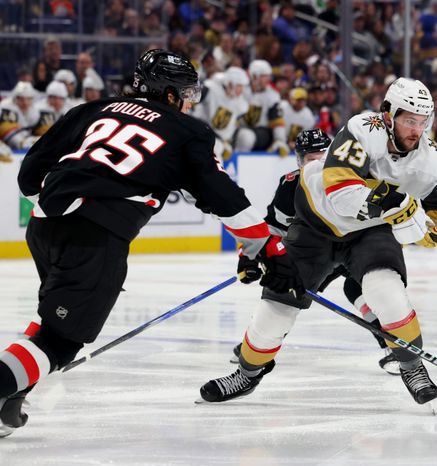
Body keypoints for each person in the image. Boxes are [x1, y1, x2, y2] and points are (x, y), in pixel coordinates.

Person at [0, 49, 274, 438]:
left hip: (43, 227)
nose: (185, 100)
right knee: (60, 341)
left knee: (55, 320)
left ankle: (9, 399)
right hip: (95, 236)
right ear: (167, 93)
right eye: (183, 92)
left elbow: (29, 175)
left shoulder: (91, 109)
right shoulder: (185, 130)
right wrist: (262, 243)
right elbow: (218, 192)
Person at [200, 78, 437, 405]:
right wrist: (395, 202)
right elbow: (341, 196)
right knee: (275, 309)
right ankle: (248, 374)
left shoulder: (432, 161)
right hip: (315, 225)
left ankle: (411, 364)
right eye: (409, 120)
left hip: (369, 231)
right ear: (387, 114)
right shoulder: (361, 130)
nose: (417, 130)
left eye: (423, 122)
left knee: (386, 288)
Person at [227, 128, 401, 374]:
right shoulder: (290, 185)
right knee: (287, 292)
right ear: (300, 161)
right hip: (316, 251)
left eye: (322, 157)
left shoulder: (349, 177)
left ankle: (393, 348)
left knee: (358, 288)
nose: (317, 164)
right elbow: (274, 225)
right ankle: (257, 345)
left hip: (352, 247)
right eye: (311, 159)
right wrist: (253, 256)